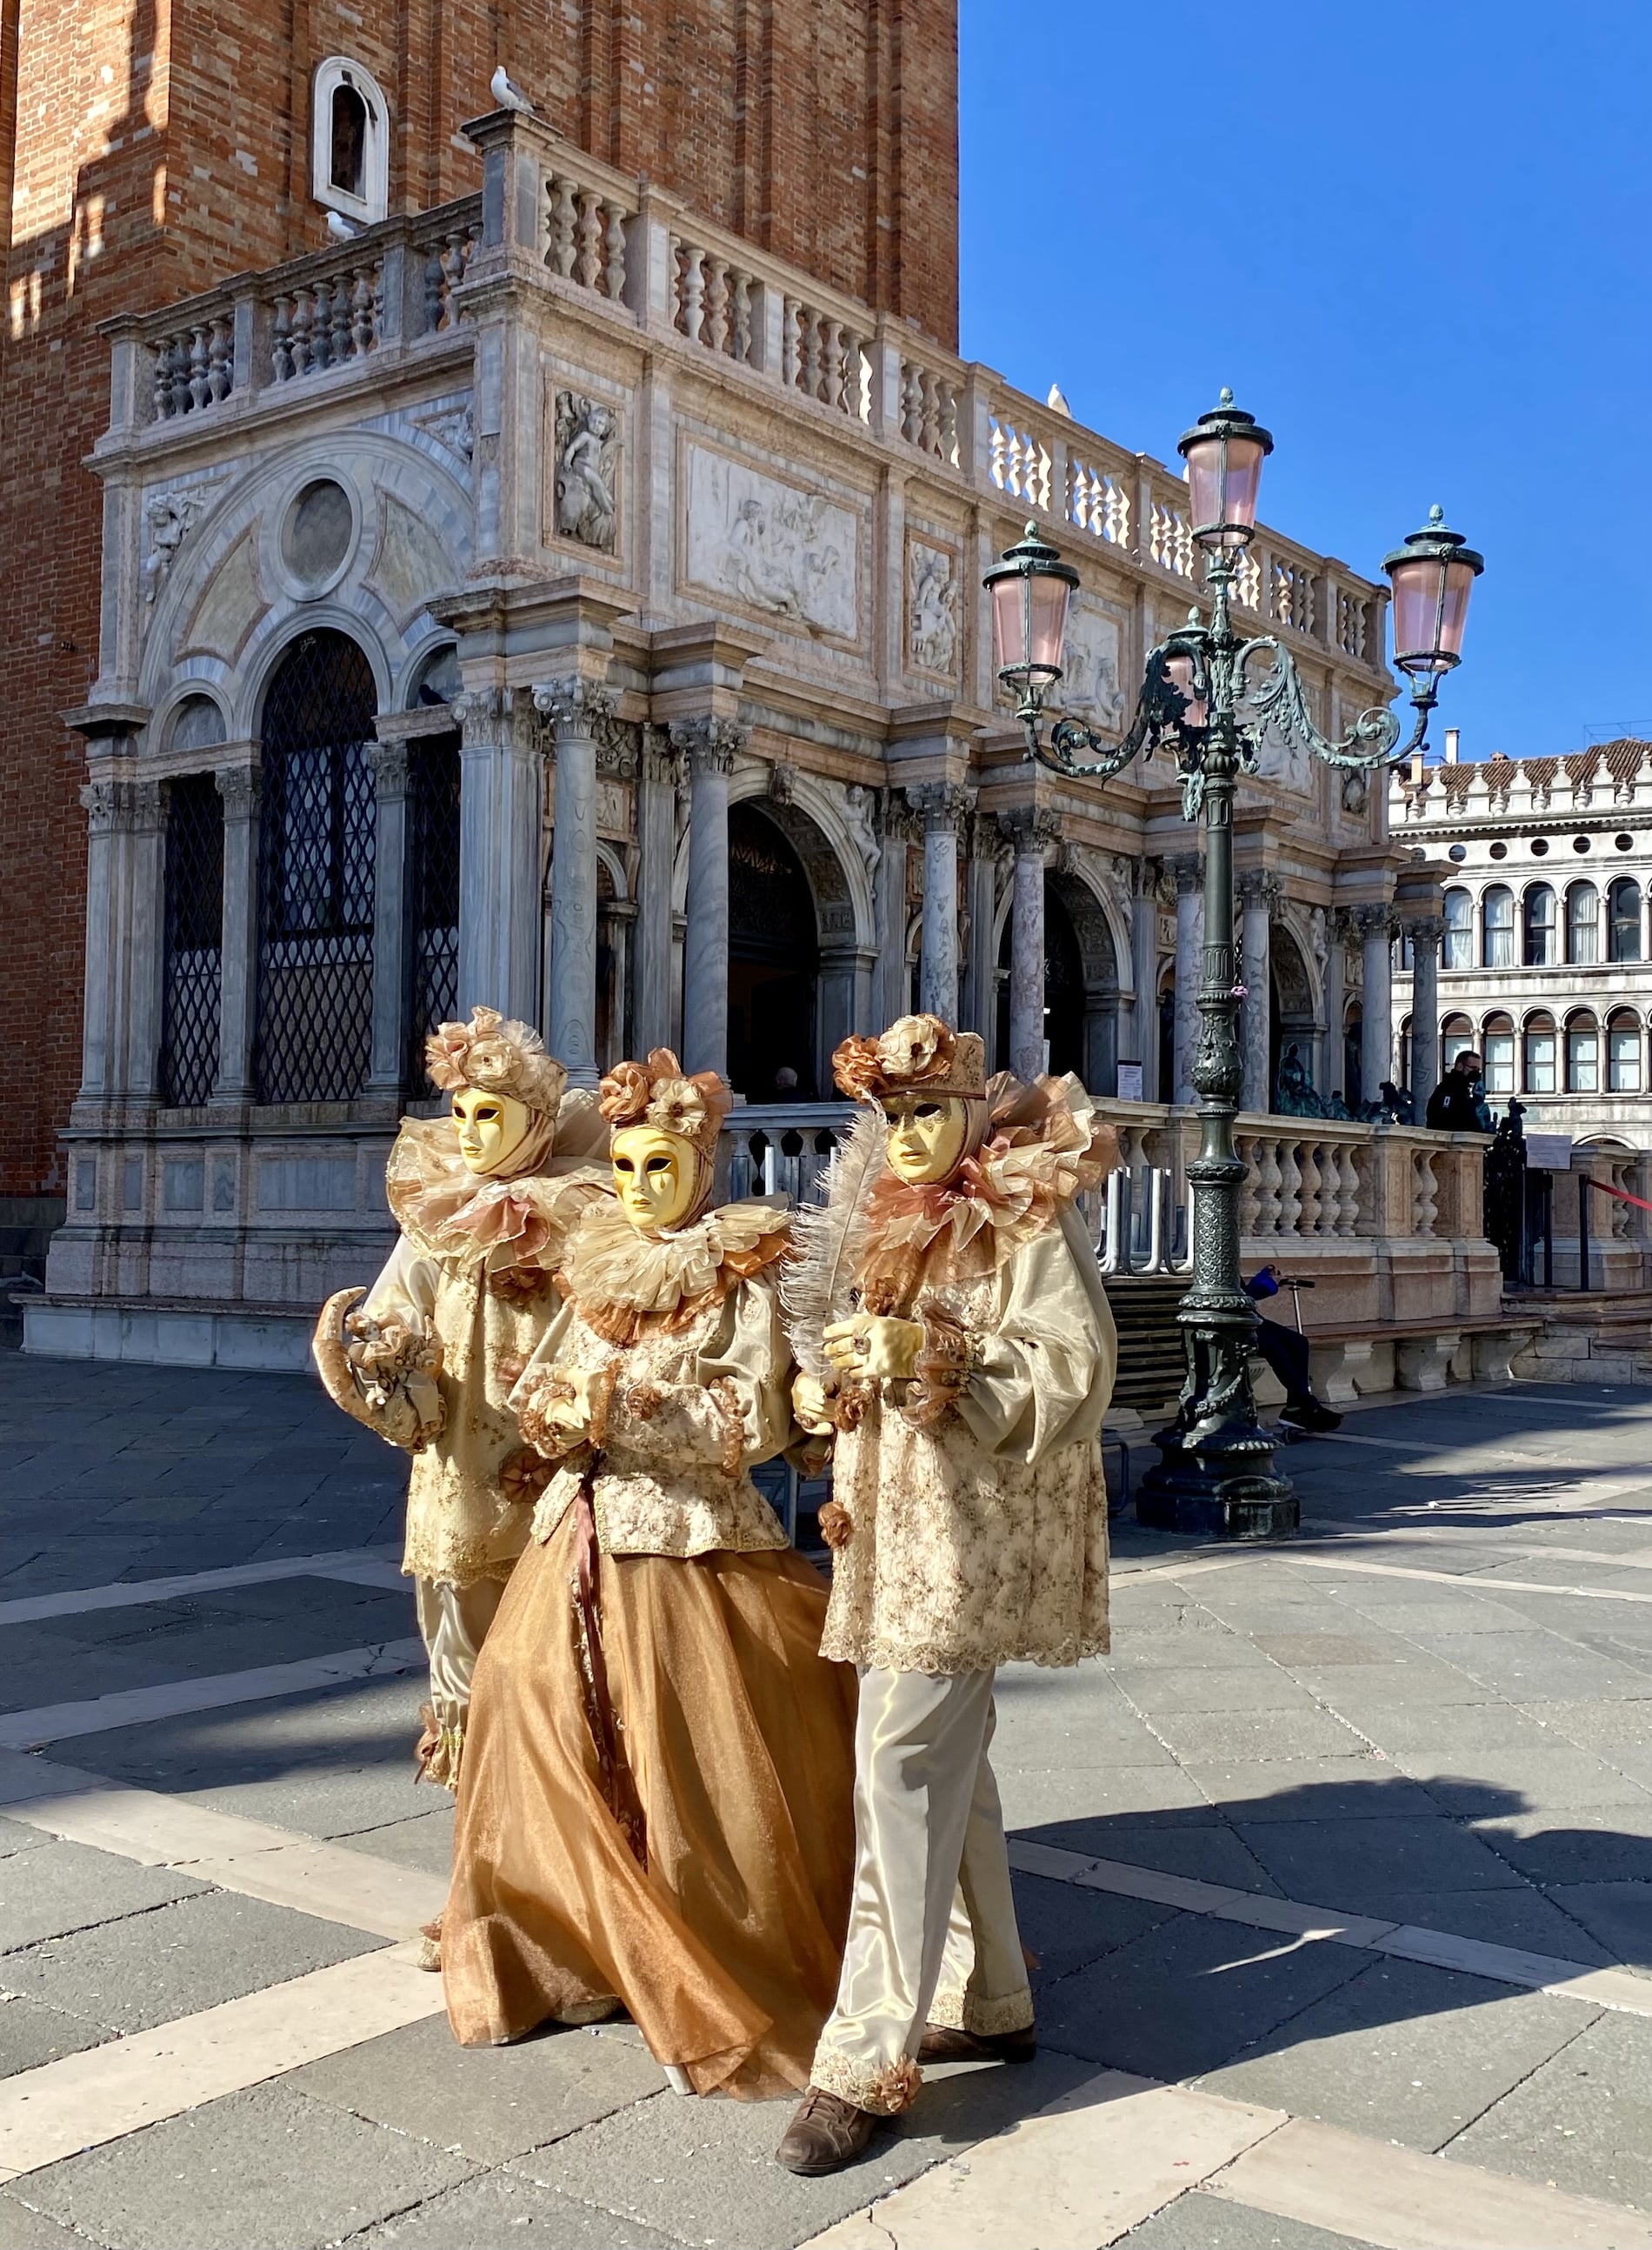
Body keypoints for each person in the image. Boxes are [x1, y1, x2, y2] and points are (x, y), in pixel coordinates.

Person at [438, 1048, 858, 2100]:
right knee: (524, 1701)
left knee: (691, 1751)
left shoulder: (737, 1274)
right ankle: (571, 1946)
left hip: (692, 1539)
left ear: (698, 1168)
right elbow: (544, 1387)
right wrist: (559, 1413)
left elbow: (752, 1415)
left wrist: (624, 1410)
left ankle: (689, 1949)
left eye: (656, 1167)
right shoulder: (599, 1260)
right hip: (573, 1529)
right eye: (623, 1167)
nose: (634, 1189)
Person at [775, 1014, 1118, 2174]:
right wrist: (841, 1386)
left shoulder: (1021, 1213)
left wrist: (931, 1358)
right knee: (946, 1762)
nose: (911, 1131)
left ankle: (864, 2055)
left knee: (898, 1767)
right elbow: (861, 1344)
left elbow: (1076, 1363)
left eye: (931, 1109)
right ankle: (993, 1991)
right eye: (896, 1113)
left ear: (974, 1109)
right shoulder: (887, 1217)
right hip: (893, 1526)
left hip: (964, 1541)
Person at [310, 1007, 607, 1795]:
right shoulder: (438, 1219)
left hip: (558, 1470)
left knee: (563, 1666)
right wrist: (378, 1353)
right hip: (460, 1476)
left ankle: (562, 1864)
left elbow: (606, 1323)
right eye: (464, 1113)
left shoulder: (586, 1213)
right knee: (464, 1673)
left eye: (492, 1114)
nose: (472, 1132)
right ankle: (485, 1876)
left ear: (536, 1121)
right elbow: (395, 1312)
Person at [1245, 1266, 1341, 1433]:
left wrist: (1265, 1280)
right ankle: (1306, 1405)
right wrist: (1265, 1284)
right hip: (1234, 1326)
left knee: (1299, 1342)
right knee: (1275, 1348)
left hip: (1250, 1319)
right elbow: (1233, 1298)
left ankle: (1295, 1408)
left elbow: (1243, 1294)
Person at [1425, 1049, 1486, 1132]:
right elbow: (1442, 1119)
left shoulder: (1464, 1091)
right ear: (1460, 1066)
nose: (1476, 1073)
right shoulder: (1447, 1089)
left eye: (1478, 1070)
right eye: (1473, 1068)